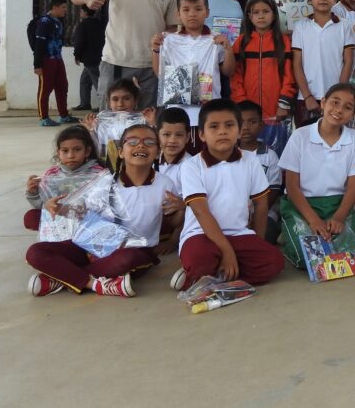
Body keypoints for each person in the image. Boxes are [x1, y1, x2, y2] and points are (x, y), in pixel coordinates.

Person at [26, 124, 180, 297]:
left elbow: (175, 222)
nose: (141, 145)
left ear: (158, 152)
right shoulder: (104, 181)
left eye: (149, 142)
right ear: (121, 152)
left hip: (134, 249)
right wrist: (57, 208)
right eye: (133, 141)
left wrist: (181, 208)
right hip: (92, 248)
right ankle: (95, 284)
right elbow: (84, 215)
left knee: (128, 259)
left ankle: (62, 277)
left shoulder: (166, 184)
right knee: (35, 252)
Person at [170, 98, 285, 291]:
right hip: (200, 235)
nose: (222, 131)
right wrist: (227, 252)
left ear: (239, 131)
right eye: (214, 126)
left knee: (273, 262)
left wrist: (257, 240)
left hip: (238, 233)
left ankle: (213, 278)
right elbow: (201, 213)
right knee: (201, 260)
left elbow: (261, 204)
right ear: (202, 135)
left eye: (229, 125)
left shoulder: (250, 160)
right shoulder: (191, 166)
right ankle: (208, 272)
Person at [278, 83, 355, 269]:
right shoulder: (300, 136)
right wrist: (313, 220)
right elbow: (292, 186)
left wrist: (339, 217)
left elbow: (354, 187)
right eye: (335, 102)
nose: (339, 110)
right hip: (302, 206)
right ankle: (289, 239)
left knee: (349, 257)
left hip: (336, 205)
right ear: (323, 102)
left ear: (352, 115)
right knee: (312, 260)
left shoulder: (354, 139)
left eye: (347, 107)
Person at [151, 0, 236, 109]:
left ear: (207, 12)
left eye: (198, 9)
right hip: (178, 108)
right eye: (186, 10)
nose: (192, 14)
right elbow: (160, 73)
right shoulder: (168, 41)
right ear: (178, 13)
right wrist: (156, 50)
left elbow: (228, 72)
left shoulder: (216, 40)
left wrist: (228, 49)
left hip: (209, 107)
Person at [291, 0, 355, 127]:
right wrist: (307, 96)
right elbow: (297, 64)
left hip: (335, 98)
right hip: (307, 98)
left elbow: (348, 61)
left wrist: (339, 96)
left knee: (335, 138)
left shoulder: (345, 26)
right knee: (307, 141)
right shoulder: (301, 27)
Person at [23, 125, 106, 231]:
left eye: (77, 149)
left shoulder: (98, 173)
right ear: (58, 153)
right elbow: (43, 205)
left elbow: (104, 206)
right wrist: (33, 192)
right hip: (59, 218)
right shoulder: (52, 174)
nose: (71, 155)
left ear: (87, 151)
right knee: (31, 216)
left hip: (86, 219)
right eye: (65, 151)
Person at [231, 0, 296, 126]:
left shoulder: (283, 42)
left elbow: (289, 76)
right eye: (256, 12)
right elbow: (235, 77)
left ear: (273, 15)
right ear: (249, 16)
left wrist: (283, 104)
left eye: (266, 11)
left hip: (277, 112)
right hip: (247, 113)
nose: (261, 16)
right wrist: (242, 104)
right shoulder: (241, 42)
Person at [237, 99, 283, 245]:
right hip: (234, 213)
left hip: (264, 212)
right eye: (240, 122)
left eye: (252, 122)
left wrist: (255, 216)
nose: (245, 127)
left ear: (261, 125)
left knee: (267, 233)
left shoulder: (270, 156)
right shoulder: (228, 154)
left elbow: (273, 192)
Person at [33, 0, 78, 127]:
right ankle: (44, 118)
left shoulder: (58, 22)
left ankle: (64, 115)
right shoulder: (44, 21)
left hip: (58, 58)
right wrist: (37, 64)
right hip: (46, 59)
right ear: (54, 7)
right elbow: (39, 43)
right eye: (63, 7)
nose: (65, 10)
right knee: (45, 88)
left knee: (62, 86)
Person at [155, 107, 192, 253]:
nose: (172, 140)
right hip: (155, 213)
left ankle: (173, 240)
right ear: (157, 135)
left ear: (187, 137)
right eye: (166, 134)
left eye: (179, 135)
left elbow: (192, 207)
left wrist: (173, 241)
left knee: (187, 205)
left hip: (175, 219)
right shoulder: (151, 159)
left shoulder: (190, 166)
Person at [71, 5, 105, 112]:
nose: (80, 13)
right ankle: (85, 103)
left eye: (81, 11)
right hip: (99, 56)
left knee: (97, 82)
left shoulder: (83, 24)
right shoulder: (99, 24)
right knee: (85, 80)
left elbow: (79, 41)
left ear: (85, 12)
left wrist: (76, 55)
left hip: (89, 58)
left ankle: (103, 105)